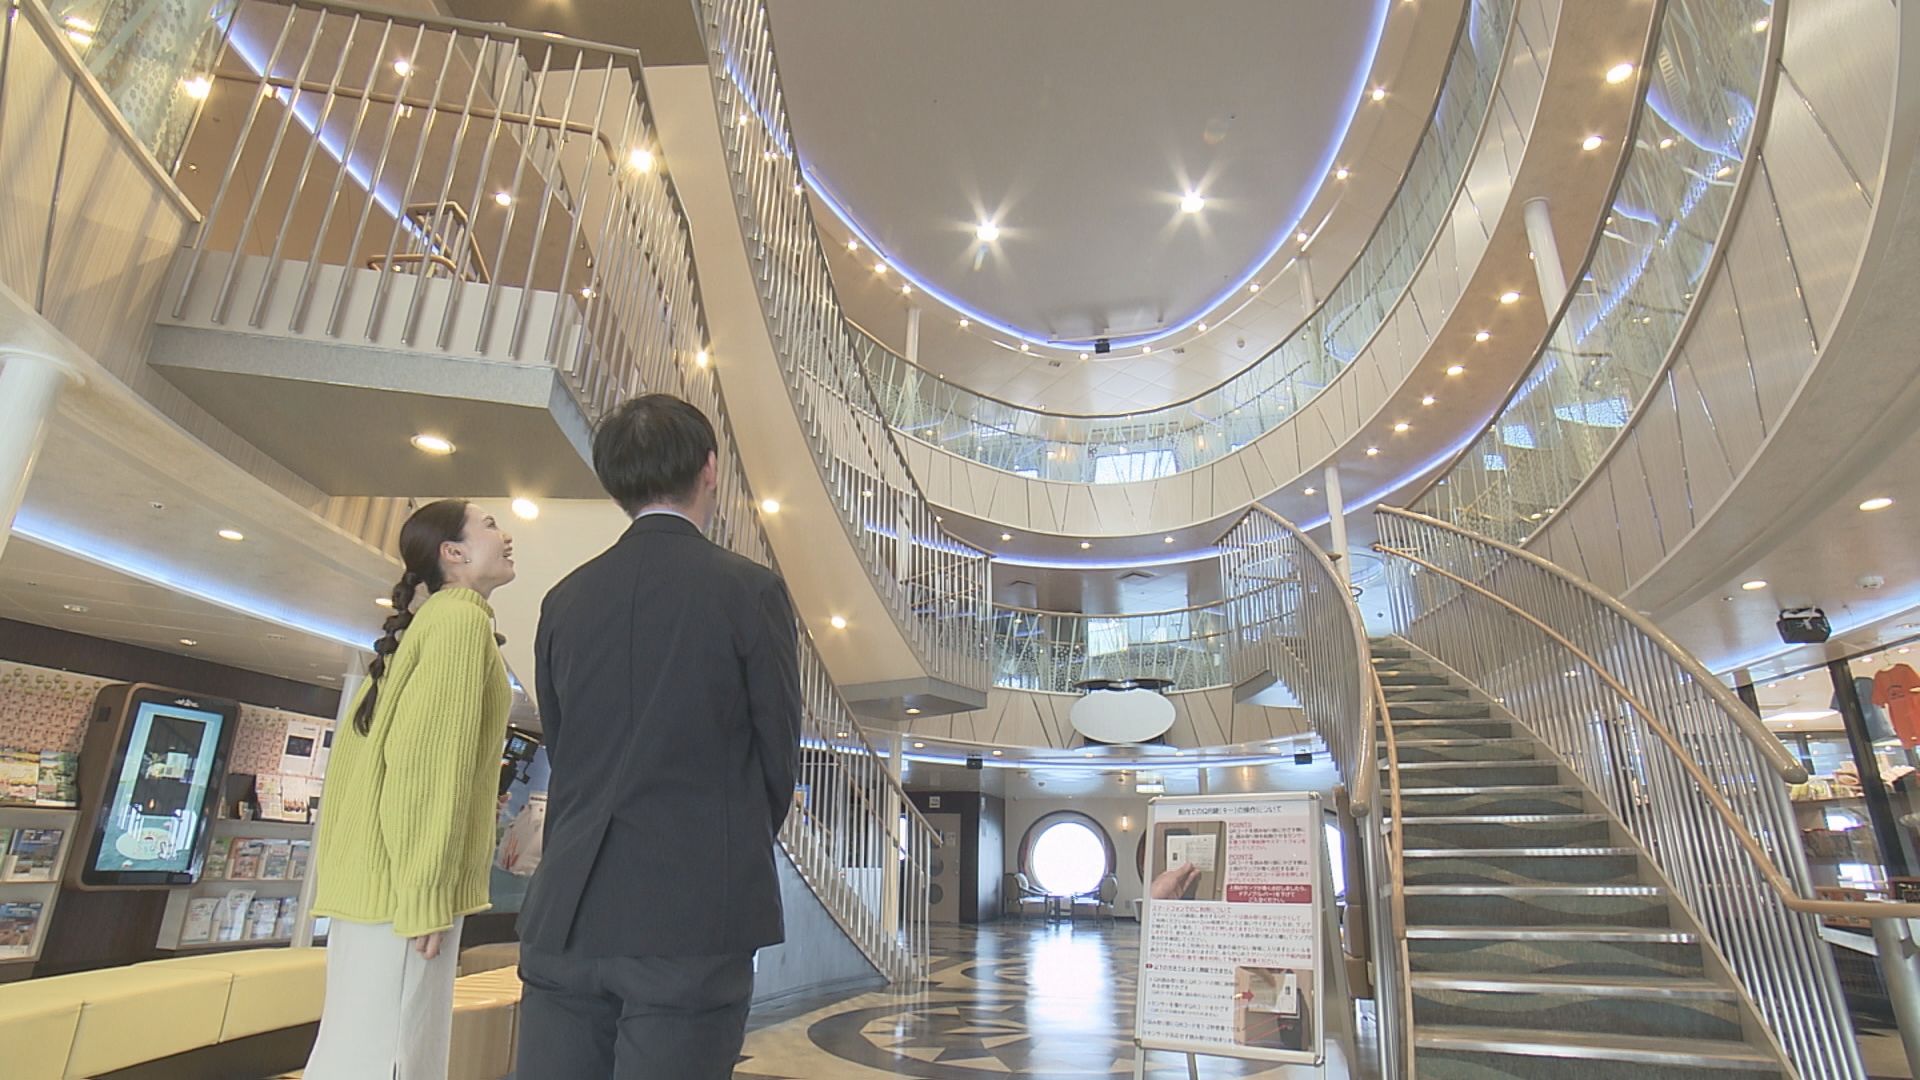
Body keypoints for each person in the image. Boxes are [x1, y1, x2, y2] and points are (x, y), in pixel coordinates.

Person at [516, 394, 802, 1079]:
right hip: (692, 917)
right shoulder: (750, 590)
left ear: (615, 481)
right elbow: (776, 759)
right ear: (710, 468)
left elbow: (565, 745)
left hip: (566, 910)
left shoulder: (564, 599)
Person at [305, 499, 517, 1078]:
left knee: (357, 1053)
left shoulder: (436, 622)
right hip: (404, 895)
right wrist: (427, 891)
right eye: (490, 525)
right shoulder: (459, 622)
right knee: (392, 1059)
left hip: (380, 884)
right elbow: (428, 767)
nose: (506, 536)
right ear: (453, 553)